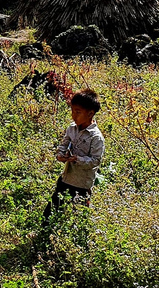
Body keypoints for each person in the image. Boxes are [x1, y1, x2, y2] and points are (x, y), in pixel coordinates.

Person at [43, 89, 105, 220]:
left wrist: (77, 159)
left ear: (90, 114)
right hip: (66, 178)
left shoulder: (96, 137)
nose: (74, 115)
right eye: (72, 111)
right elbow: (64, 144)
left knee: (78, 216)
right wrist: (60, 155)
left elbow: (95, 161)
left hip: (82, 184)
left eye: (78, 112)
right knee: (51, 211)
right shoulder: (72, 128)